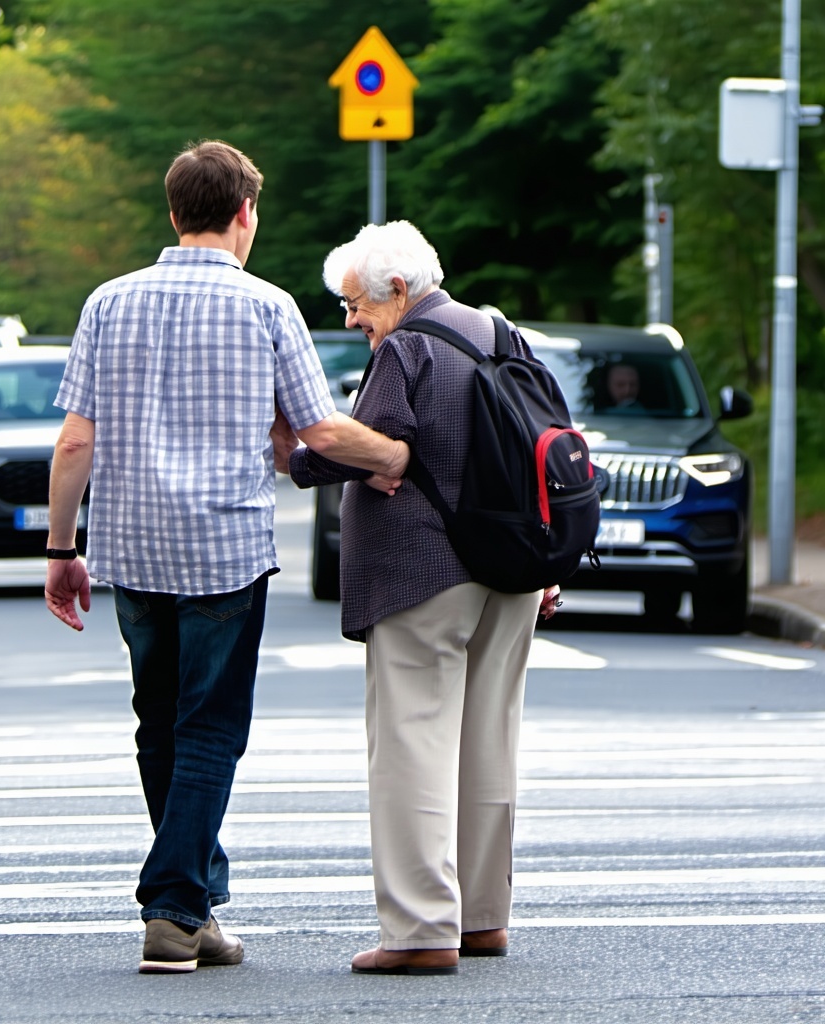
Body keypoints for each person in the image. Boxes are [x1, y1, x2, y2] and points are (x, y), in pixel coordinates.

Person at [44, 141, 409, 974]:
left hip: (131, 551)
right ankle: (174, 910)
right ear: (245, 214)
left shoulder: (108, 302)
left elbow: (74, 441)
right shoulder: (269, 307)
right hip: (224, 549)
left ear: (174, 214)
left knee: (158, 722)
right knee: (209, 726)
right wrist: (390, 459)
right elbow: (317, 431)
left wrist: (63, 548)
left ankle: (197, 906)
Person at [288, 221, 560, 975]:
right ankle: (483, 919)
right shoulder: (504, 334)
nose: (351, 321)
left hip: (422, 571)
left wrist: (294, 453)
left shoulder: (407, 346)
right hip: (513, 569)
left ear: (399, 290)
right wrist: (549, 559)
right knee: (489, 743)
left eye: (356, 305)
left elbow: (363, 443)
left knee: (413, 744)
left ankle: (419, 930)